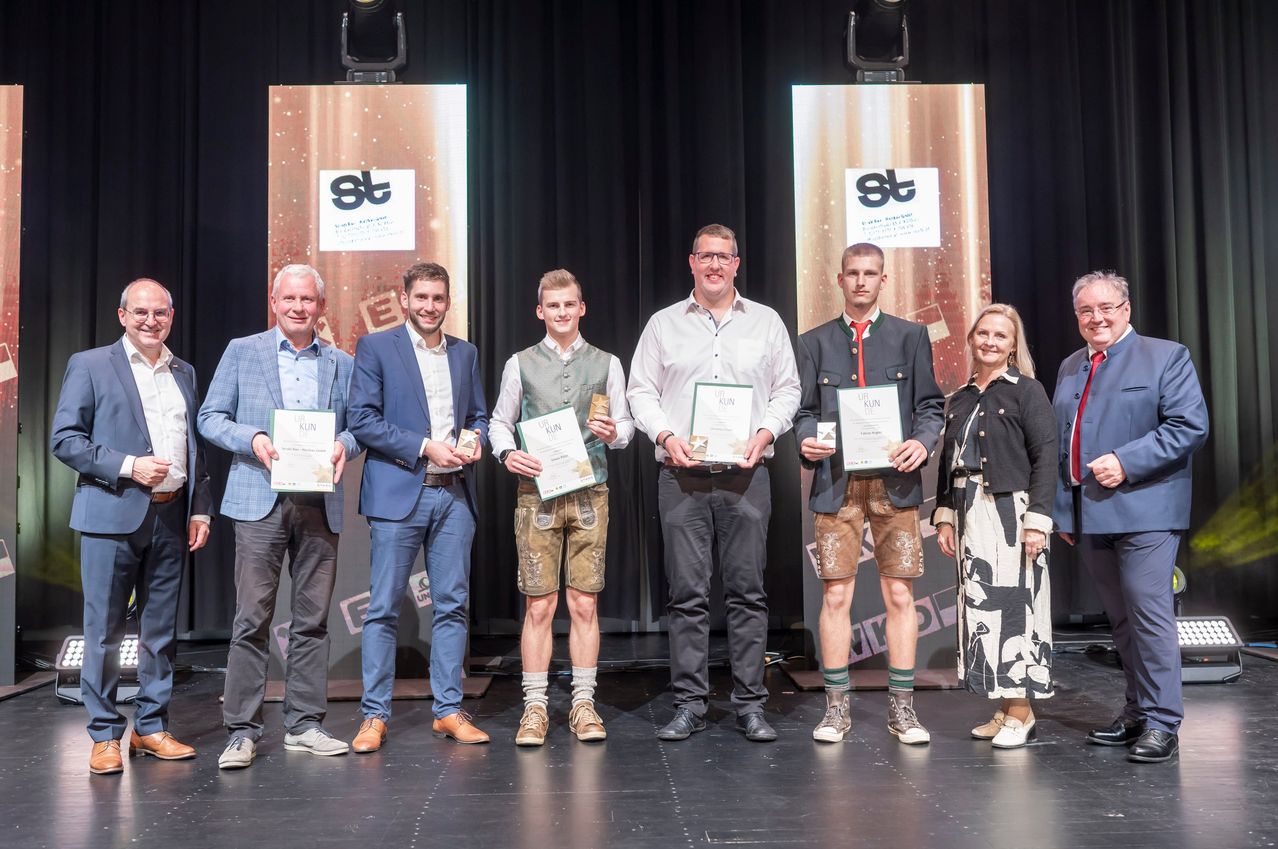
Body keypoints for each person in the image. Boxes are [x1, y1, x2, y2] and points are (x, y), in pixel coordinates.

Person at [627, 223, 800, 743]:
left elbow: (788, 389)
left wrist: (766, 432)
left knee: (748, 595)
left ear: (736, 263)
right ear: (692, 261)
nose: (715, 265)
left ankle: (750, 705)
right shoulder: (663, 325)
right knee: (687, 596)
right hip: (681, 477)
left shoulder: (766, 322)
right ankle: (689, 704)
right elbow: (640, 391)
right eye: (706, 256)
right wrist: (665, 434)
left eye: (724, 256)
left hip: (747, 477)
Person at [197, 264, 361, 769]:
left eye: (307, 299)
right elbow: (209, 417)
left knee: (311, 621)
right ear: (273, 302)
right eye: (289, 298)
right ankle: (242, 731)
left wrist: (344, 443)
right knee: (252, 619)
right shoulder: (242, 351)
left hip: (319, 503)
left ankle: (305, 724)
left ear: (321, 307)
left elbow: (360, 425)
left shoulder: (342, 362)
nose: (298, 307)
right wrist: (252, 439)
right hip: (258, 500)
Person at [50, 278, 212, 775]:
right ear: (122, 316)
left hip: (171, 515)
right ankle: (104, 734)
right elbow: (64, 439)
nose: (150, 321)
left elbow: (193, 445)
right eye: (140, 312)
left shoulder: (184, 371)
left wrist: (200, 507)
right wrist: (128, 466)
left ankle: (151, 727)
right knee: (103, 631)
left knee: (159, 631)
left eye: (160, 312)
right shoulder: (91, 364)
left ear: (171, 317)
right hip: (111, 513)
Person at [1053, 270, 1208, 763]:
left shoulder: (1167, 356)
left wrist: (1126, 460)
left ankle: (1163, 723)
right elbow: (1063, 444)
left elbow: (1189, 426)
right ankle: (1138, 711)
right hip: (1090, 515)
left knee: (1149, 616)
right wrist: (1064, 512)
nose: (1096, 318)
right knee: (1120, 621)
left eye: (1106, 308)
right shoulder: (1071, 365)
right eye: (1086, 310)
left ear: (1126, 309)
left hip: (1147, 511)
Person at [793, 243, 944, 745]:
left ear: (883, 280)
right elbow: (803, 411)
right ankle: (836, 709)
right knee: (836, 593)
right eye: (853, 273)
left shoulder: (910, 336)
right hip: (836, 482)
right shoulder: (813, 342)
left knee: (900, 593)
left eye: (870, 273)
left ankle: (903, 710)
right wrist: (806, 439)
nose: (861, 281)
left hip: (894, 482)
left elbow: (930, 405)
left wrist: (922, 443)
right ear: (839, 280)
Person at [346, 261, 490, 748]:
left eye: (438, 298)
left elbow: (479, 416)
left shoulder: (465, 353)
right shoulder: (376, 347)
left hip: (455, 496)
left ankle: (448, 710)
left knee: (452, 606)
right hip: (399, 493)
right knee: (383, 608)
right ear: (404, 299)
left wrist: (476, 440)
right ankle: (374, 716)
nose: (430, 307)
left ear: (448, 302)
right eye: (421, 297)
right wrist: (425, 446)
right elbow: (362, 420)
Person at [490, 269, 634, 746]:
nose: (562, 312)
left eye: (569, 304)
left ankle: (583, 704)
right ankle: (534, 708)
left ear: (581, 308)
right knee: (539, 605)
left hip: (591, 492)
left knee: (585, 603)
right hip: (537, 495)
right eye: (553, 305)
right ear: (540, 311)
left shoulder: (607, 363)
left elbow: (626, 426)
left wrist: (615, 434)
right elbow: (499, 422)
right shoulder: (520, 363)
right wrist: (507, 453)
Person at [932, 304, 1057, 748]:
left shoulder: (1028, 391)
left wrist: (1037, 521)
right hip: (968, 511)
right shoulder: (960, 397)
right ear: (971, 338)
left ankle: (1022, 713)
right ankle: (1005, 708)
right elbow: (948, 462)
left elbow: (1046, 457)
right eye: (983, 333)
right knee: (982, 609)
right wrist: (945, 516)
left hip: (1011, 513)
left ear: (1013, 346)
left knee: (1015, 608)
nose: (990, 341)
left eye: (1000, 336)